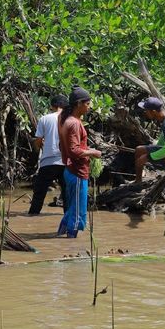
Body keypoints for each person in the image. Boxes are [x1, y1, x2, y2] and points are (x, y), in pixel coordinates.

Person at [57, 86, 101, 238]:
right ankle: (70, 245)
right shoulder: (74, 123)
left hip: (70, 170)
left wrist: (86, 150)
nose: (89, 107)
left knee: (71, 209)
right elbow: (74, 151)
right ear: (78, 104)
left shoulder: (64, 119)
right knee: (78, 213)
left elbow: (66, 147)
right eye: (87, 104)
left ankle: (59, 238)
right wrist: (93, 152)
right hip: (77, 172)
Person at [28, 94, 69, 215]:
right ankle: (67, 218)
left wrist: (40, 147)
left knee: (39, 194)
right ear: (65, 106)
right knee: (67, 194)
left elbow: (38, 140)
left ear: (52, 106)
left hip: (48, 162)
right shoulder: (70, 119)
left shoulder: (44, 118)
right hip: (65, 162)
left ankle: (32, 217)